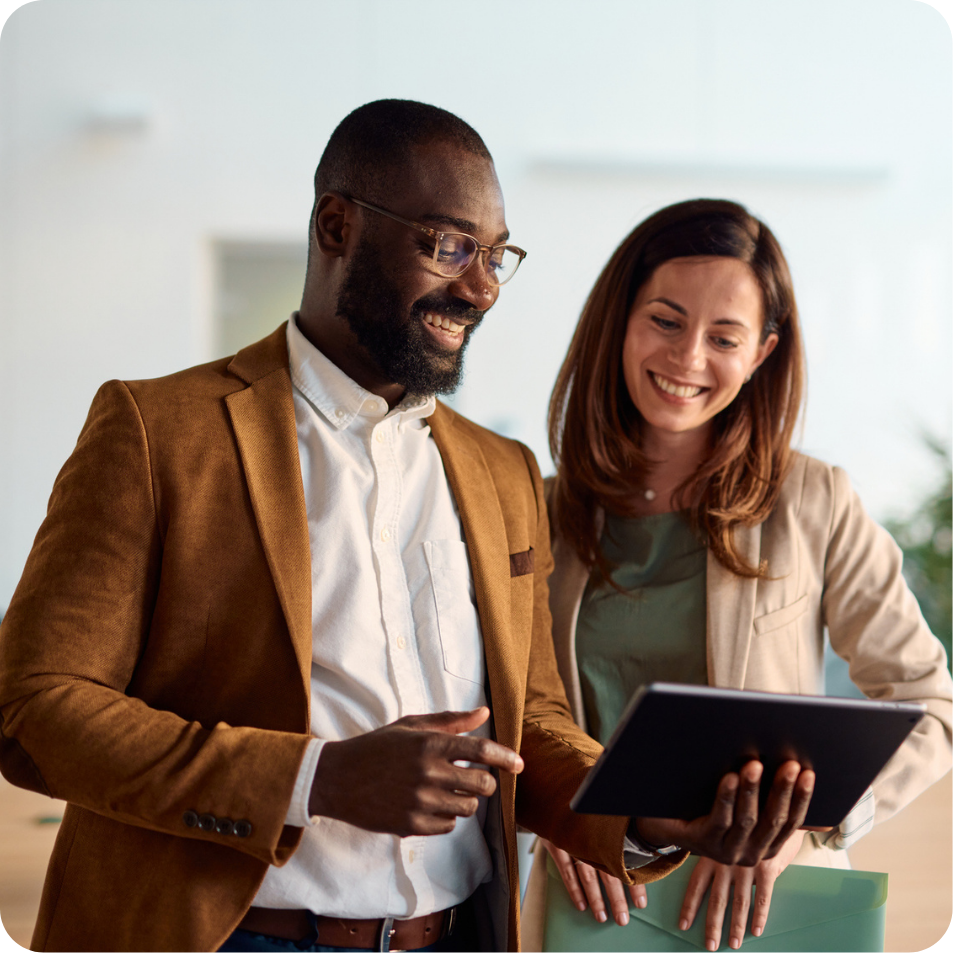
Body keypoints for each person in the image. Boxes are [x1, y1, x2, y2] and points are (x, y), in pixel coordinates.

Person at [0, 107, 815, 953]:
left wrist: (645, 810)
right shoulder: (156, 429)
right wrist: (318, 777)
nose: (482, 287)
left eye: (496, 256)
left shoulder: (500, 470)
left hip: (454, 936)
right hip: (226, 934)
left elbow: (527, 719)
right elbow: (34, 707)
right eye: (448, 245)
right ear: (336, 225)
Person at [521, 198, 953, 952]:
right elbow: (503, 713)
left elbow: (929, 706)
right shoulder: (538, 511)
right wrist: (558, 815)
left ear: (760, 353)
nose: (688, 358)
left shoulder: (813, 501)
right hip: (595, 908)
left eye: (723, 336)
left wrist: (804, 827)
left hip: (773, 908)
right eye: (664, 319)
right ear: (619, 320)